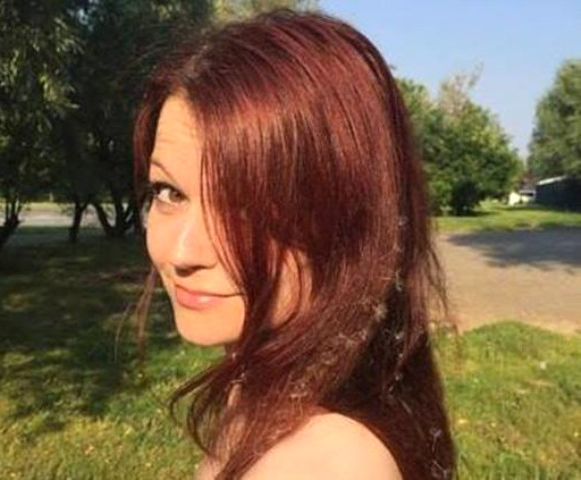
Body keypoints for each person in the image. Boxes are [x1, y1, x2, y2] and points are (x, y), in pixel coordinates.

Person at [132, 8, 456, 480]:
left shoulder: (325, 464)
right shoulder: (270, 376)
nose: (181, 253)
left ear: (353, 215)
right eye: (169, 192)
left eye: (246, 206)